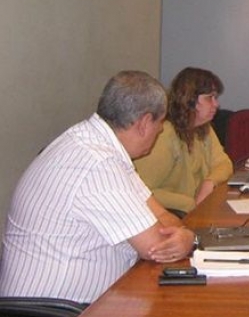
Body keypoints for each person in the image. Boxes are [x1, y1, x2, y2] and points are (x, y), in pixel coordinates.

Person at [0, 71, 196, 304]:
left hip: (90, 301)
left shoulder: (98, 145)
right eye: (160, 124)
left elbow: (162, 215)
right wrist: (187, 238)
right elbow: (156, 246)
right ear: (144, 123)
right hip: (59, 309)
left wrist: (182, 237)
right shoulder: (96, 162)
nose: (161, 131)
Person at [134, 67, 233, 216]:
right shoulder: (163, 134)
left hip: (197, 210)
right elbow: (141, 190)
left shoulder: (203, 128)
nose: (216, 104)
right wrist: (190, 203)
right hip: (169, 215)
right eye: (209, 98)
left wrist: (209, 183)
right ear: (191, 100)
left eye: (215, 98)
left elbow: (224, 163)